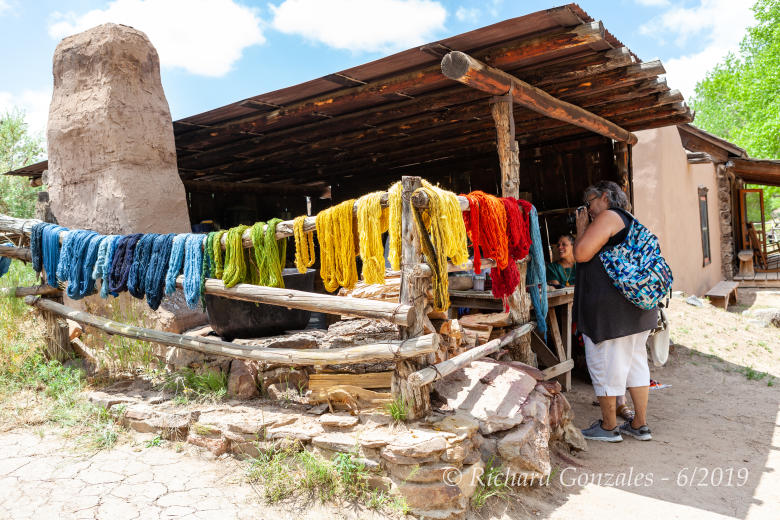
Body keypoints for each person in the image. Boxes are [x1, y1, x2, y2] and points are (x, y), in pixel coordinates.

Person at [573, 181, 657, 443]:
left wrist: (581, 228)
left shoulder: (609, 216)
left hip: (612, 312)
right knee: (635, 365)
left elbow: (581, 253)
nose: (588, 208)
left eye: (590, 201)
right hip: (636, 309)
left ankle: (609, 427)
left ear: (606, 198)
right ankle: (640, 424)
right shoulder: (629, 221)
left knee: (606, 364)